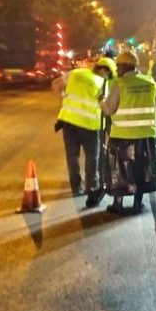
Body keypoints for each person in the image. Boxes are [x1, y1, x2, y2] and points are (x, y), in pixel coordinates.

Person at [101, 51, 156, 215]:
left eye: (118, 66)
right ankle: (137, 205)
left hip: (122, 136)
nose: (117, 70)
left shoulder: (119, 84)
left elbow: (109, 109)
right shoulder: (150, 83)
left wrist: (100, 101)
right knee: (141, 171)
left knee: (119, 172)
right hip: (145, 136)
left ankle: (117, 205)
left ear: (123, 66)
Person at [52, 57, 116, 206]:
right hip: (89, 126)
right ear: (105, 71)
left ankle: (76, 187)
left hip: (68, 122)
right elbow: (105, 107)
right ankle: (91, 187)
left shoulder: (75, 73)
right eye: (109, 74)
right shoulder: (103, 83)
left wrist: (64, 100)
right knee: (92, 158)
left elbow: (55, 85)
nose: (109, 77)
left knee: (72, 157)